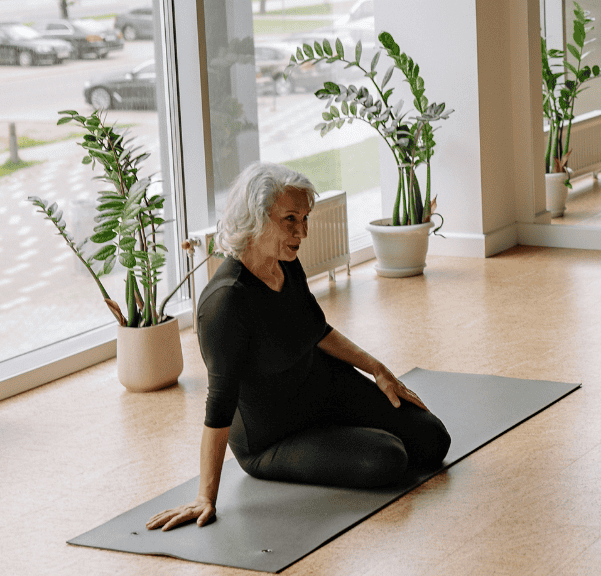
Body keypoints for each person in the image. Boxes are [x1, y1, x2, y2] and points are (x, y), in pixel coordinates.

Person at [147, 162, 451, 531]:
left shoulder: (286, 263)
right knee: (387, 459)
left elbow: (318, 330)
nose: (302, 231)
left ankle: (343, 430)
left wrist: (378, 370)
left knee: (433, 439)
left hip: (322, 391)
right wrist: (204, 497)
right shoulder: (226, 302)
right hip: (273, 435)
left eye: (305, 218)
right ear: (254, 219)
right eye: (290, 219)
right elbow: (219, 403)